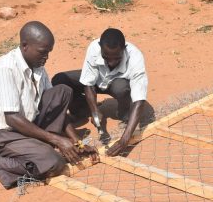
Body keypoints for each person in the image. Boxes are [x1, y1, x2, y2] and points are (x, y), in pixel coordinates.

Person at [0, 21, 98, 189]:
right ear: (24, 45)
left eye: (49, 52)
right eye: (43, 52)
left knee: (62, 91)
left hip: (27, 126)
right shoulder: (6, 68)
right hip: (3, 135)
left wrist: (77, 142)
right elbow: (12, 118)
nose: (46, 58)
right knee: (53, 163)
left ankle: (37, 148)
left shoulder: (38, 67)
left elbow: (57, 110)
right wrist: (56, 139)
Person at [52, 28, 148, 157]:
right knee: (60, 79)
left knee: (122, 88)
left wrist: (124, 140)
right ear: (100, 48)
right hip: (99, 81)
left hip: (117, 84)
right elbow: (88, 83)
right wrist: (94, 110)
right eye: (106, 57)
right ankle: (81, 110)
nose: (111, 62)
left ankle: (124, 113)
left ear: (124, 49)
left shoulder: (135, 57)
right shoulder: (94, 48)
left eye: (117, 58)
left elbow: (139, 100)